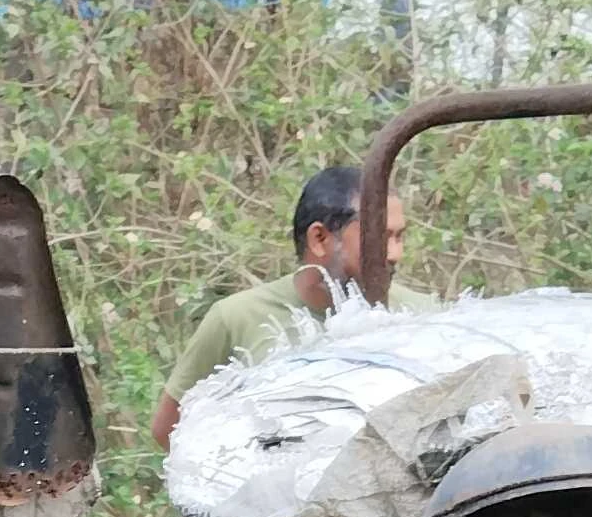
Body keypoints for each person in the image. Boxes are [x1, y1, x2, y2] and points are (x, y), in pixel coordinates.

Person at [152, 159, 405, 447]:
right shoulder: (237, 318)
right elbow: (169, 430)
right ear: (319, 238)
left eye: (400, 237)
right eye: (381, 238)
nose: (396, 253)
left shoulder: (422, 318)